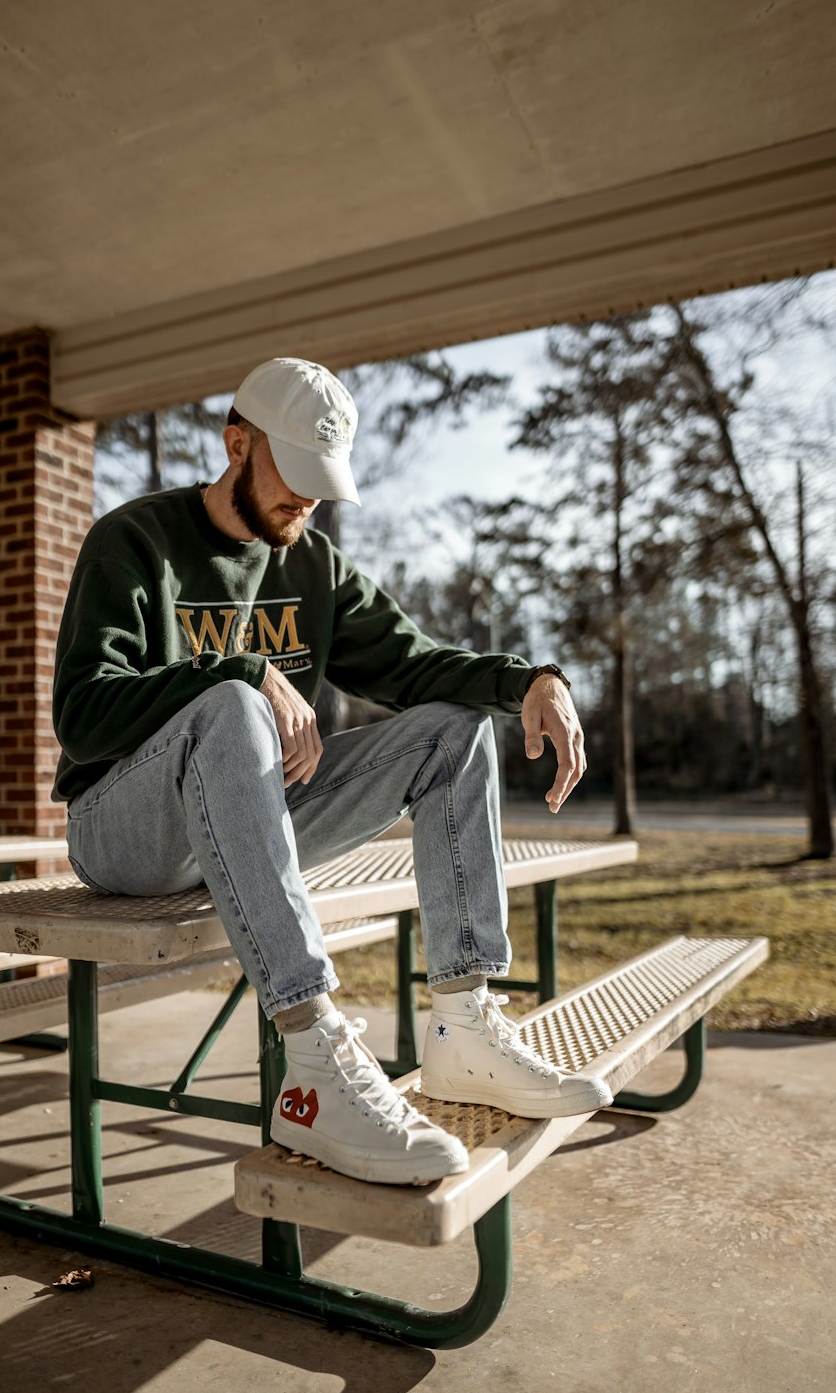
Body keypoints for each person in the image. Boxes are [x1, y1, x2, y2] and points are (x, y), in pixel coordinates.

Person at [52, 356, 612, 1186]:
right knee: (235, 703)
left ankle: (463, 1025)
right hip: (124, 830)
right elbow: (83, 715)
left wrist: (529, 679)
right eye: (294, 472)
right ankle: (313, 1059)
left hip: (250, 816)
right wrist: (235, 672)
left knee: (452, 731)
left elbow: (417, 664)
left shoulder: (312, 566)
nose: (307, 499)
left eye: (324, 480)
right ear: (236, 443)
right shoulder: (135, 543)